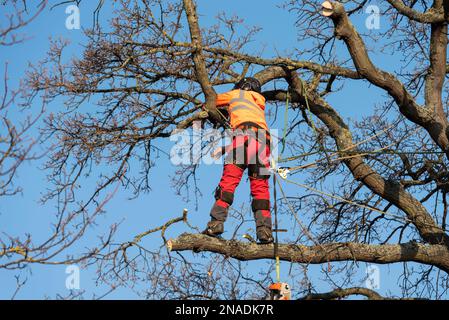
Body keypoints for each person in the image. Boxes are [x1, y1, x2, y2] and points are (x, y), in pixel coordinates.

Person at [203, 77, 274, 244]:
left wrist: (212, 112)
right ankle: (265, 232)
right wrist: (223, 149)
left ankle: (216, 224)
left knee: (228, 182)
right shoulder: (259, 104)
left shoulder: (237, 94)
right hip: (263, 143)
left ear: (242, 87)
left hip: (243, 137)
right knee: (260, 189)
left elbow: (211, 102)